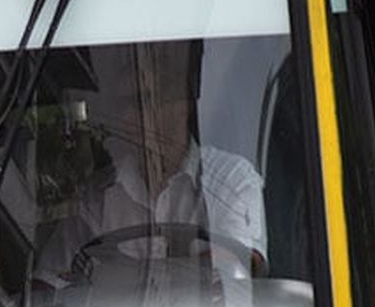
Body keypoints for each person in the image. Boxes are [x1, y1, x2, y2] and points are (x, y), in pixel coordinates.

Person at [32, 43, 267, 286]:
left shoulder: (233, 178)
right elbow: (48, 283)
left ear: (185, 103)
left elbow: (239, 264)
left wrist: (113, 276)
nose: (144, 116)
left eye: (156, 99)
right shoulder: (99, 195)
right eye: (132, 104)